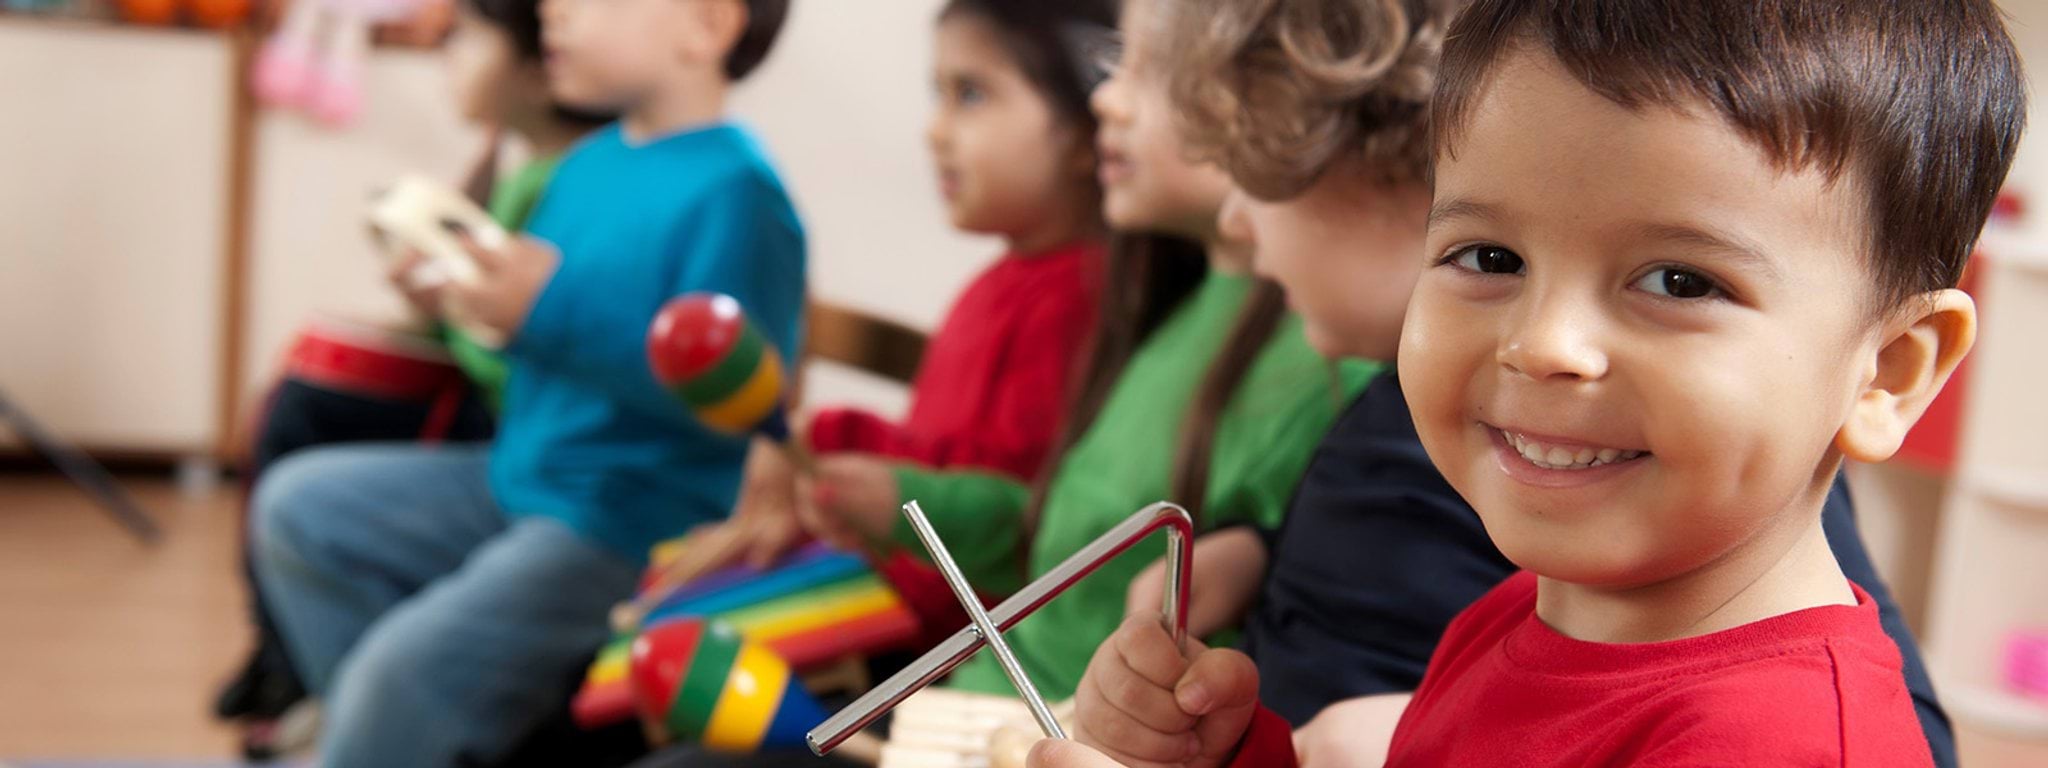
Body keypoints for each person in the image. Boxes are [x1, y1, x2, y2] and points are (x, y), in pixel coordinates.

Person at [1039, 0, 2023, 765]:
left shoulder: (1778, 746)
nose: (1542, 343)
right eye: (1489, 256)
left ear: (1886, 372)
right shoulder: (1525, 610)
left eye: (1678, 281)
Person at [248, 0, 802, 765]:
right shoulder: (589, 163)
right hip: (521, 481)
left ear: (706, 25)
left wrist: (544, 310)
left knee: (396, 680)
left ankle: (393, 719)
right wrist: (465, 299)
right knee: (300, 511)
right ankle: (402, 728)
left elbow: (736, 409)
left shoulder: (739, 195)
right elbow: (537, 341)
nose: (554, 11)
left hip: (626, 527)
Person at [795, 0, 1377, 703]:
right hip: (976, 713)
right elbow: (1067, 554)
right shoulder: (1174, 312)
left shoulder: (1335, 369)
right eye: (1112, 66)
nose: (1104, 98)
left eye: (1150, 69)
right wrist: (901, 500)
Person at [213, 0, 610, 757]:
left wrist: (460, 313)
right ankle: (313, 676)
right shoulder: (523, 163)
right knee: (299, 419)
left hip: (533, 445)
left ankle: (315, 679)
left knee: (302, 418)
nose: (447, 55)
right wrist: (441, 305)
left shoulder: (572, 178)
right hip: (525, 438)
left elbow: (538, 356)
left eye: (469, 38)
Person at [693, 0, 1114, 649]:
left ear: (1090, 133)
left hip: (936, 640)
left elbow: (1007, 506)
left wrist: (835, 439)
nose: (935, 131)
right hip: (894, 591)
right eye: (938, 95)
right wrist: (819, 451)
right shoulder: (1001, 280)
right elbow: (937, 449)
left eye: (971, 95)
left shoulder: (1077, 302)